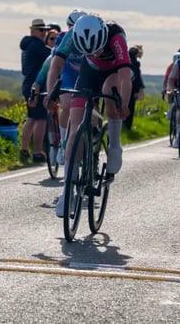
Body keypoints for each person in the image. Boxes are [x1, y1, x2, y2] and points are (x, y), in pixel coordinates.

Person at [50, 14, 132, 218]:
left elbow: (124, 76)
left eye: (98, 50)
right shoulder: (71, 36)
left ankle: (114, 144)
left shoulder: (115, 36)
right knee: (75, 125)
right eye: (89, 51)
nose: (95, 53)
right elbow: (55, 65)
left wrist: (124, 102)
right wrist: (53, 92)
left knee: (110, 89)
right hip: (89, 73)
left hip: (115, 72)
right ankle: (67, 191)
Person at [43, 9, 88, 166]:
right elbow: (54, 64)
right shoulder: (63, 37)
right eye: (71, 26)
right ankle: (63, 142)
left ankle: (90, 150)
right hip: (68, 74)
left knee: (92, 116)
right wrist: (51, 93)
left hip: (85, 75)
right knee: (67, 105)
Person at [20, 18, 52, 163]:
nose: (43, 32)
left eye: (44, 30)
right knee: (41, 119)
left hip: (27, 84)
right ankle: (38, 151)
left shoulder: (27, 45)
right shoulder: (39, 47)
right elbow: (53, 58)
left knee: (31, 118)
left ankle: (24, 149)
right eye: (40, 30)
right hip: (37, 86)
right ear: (32, 31)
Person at [124, 44, 145, 130]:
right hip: (131, 89)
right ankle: (127, 126)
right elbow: (136, 78)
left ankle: (122, 125)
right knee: (130, 107)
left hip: (122, 87)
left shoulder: (126, 61)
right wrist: (138, 89)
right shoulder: (135, 64)